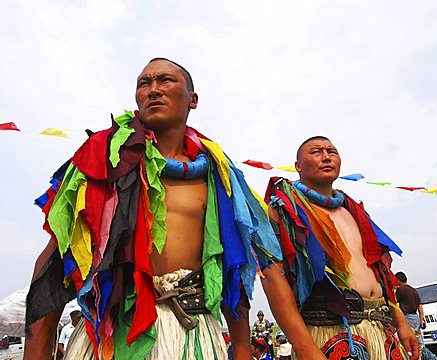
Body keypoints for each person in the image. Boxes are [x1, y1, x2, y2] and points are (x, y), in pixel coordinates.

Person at [24, 58, 284, 360]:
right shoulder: (102, 160)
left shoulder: (216, 174)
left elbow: (229, 266)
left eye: (165, 81)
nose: (153, 90)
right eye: (144, 83)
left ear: (193, 99)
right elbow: (54, 265)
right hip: (113, 335)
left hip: (192, 332)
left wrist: (240, 348)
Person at [263, 136, 420, 359]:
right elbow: (273, 279)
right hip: (329, 332)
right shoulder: (284, 209)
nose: (326, 156)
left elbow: (380, 273)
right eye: (316, 151)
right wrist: (306, 348)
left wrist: (401, 322)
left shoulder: (356, 211)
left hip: (381, 330)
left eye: (332, 151)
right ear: (297, 166)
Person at [395, 272, 437, 360]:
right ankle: (430, 358)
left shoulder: (400, 290)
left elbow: (394, 303)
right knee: (419, 342)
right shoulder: (413, 290)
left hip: (407, 319)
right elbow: (420, 305)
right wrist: (421, 319)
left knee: (408, 344)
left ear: (398, 280)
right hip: (415, 317)